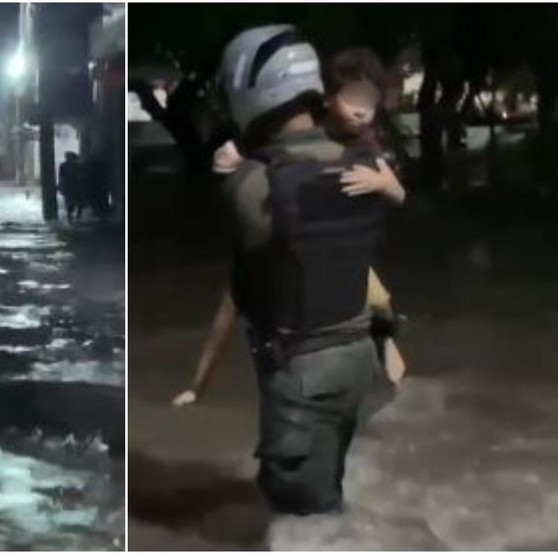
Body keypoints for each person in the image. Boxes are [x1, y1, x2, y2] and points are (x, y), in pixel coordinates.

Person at [202, 25, 394, 537]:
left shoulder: (254, 183)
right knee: (327, 499)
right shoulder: (362, 162)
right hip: (359, 362)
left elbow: (242, 253)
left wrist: (232, 165)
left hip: (305, 374)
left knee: (301, 522)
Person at [174, 46, 407, 409]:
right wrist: (238, 151)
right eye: (353, 99)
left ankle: (386, 341)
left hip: (336, 251)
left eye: (370, 102)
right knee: (236, 299)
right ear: (326, 97)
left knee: (375, 300)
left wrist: (382, 184)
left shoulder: (366, 146)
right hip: (293, 242)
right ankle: (199, 384)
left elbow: (397, 194)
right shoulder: (306, 127)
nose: (362, 111)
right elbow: (266, 139)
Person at [58, 151, 83, 224]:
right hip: (73, 187)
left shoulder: (64, 166)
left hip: (71, 187)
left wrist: (61, 186)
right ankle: (75, 216)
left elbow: (61, 177)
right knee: (75, 202)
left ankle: (72, 216)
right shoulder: (77, 166)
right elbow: (61, 177)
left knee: (72, 203)